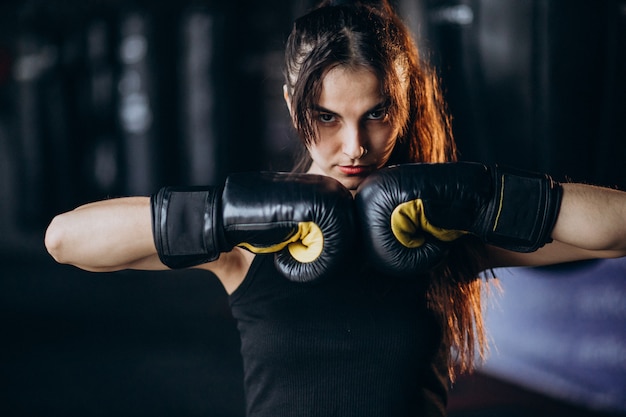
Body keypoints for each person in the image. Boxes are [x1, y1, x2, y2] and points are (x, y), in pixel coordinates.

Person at [44, 0, 626, 416]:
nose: (354, 146)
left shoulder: (442, 230)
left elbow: (617, 231)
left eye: (376, 113)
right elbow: (65, 241)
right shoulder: (253, 237)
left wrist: (483, 195)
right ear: (292, 105)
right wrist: (223, 214)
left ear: (405, 102)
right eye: (327, 117)